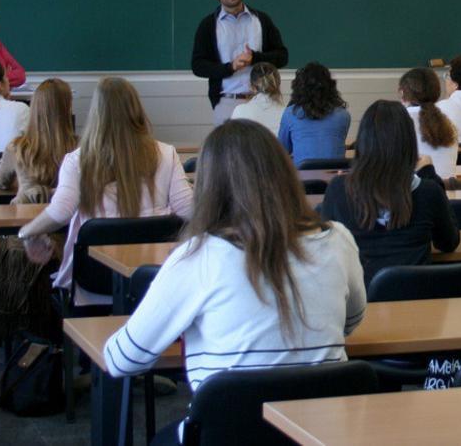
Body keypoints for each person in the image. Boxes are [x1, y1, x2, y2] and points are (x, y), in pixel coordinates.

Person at [102, 119, 365, 445]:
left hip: (229, 434)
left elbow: (122, 360)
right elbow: (351, 321)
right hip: (321, 434)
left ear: (209, 187)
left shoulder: (198, 257)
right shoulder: (337, 239)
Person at [16, 77, 193, 306]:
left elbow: (61, 211)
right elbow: (189, 209)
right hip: (152, 287)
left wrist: (27, 232)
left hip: (92, 286)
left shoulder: (77, 161)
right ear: (137, 110)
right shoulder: (166, 154)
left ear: (96, 114)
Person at [321, 100, 459, 287]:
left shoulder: (338, 189)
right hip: (417, 298)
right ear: (410, 143)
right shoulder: (428, 191)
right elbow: (448, 242)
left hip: (360, 299)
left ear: (362, 142)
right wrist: (428, 173)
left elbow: (325, 246)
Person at [191, 0, 288, 125]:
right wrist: (230, 67)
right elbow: (198, 66)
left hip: (263, 100)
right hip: (227, 101)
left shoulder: (261, 20)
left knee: (266, 142)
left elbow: (283, 57)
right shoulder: (208, 25)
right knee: (228, 143)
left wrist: (255, 58)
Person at [0, 78, 76, 204]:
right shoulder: (82, 148)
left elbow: (1, 182)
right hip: (68, 214)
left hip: (25, 213)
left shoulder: (17, 147)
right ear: (68, 109)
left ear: (34, 107)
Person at [278, 62, 351, 167]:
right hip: (334, 175)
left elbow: (282, 151)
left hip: (302, 175)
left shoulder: (290, 114)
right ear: (331, 87)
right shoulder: (343, 115)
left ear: (299, 87)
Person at [399, 67, 459, 179]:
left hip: (416, 189)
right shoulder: (448, 124)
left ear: (402, 93)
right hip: (447, 189)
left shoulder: (398, 122)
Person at [230, 62, 287, 135]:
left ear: (252, 87)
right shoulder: (287, 113)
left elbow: (233, 139)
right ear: (278, 85)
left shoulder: (239, 111)